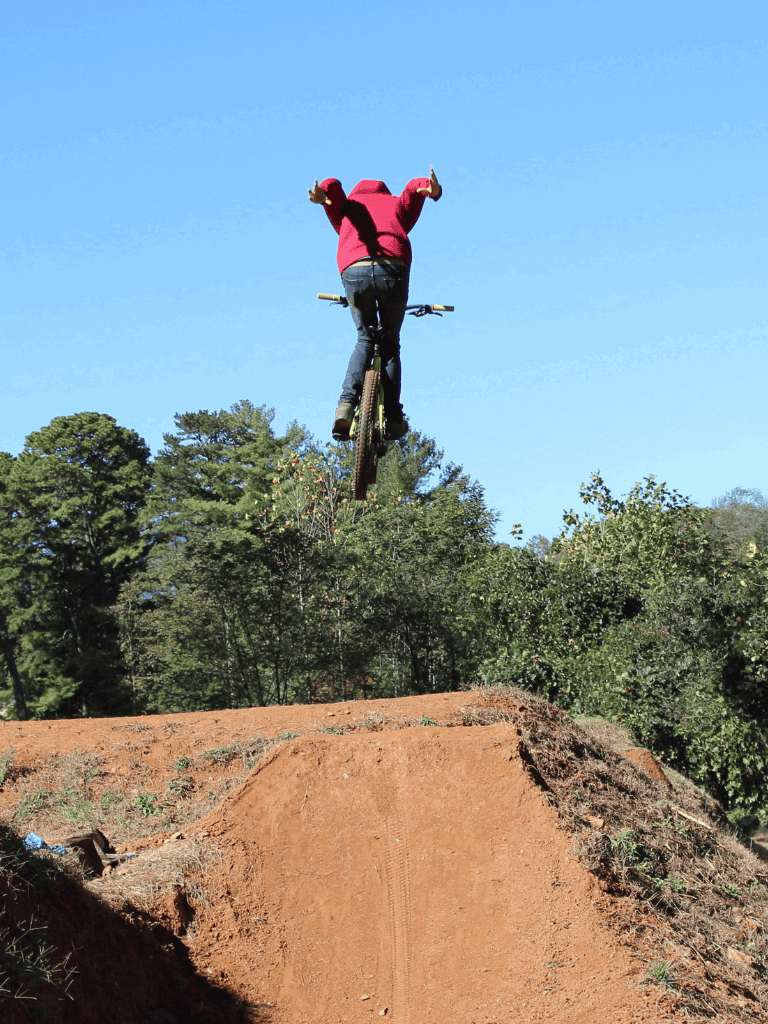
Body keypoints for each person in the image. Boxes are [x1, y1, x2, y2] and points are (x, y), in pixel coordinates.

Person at [309, 168, 442, 441]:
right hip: (393, 266)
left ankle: (345, 406)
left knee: (364, 339)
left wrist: (323, 191)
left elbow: (333, 187)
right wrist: (429, 187)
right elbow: (412, 192)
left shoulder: (347, 205)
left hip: (354, 269)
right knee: (390, 343)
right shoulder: (394, 203)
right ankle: (393, 417)